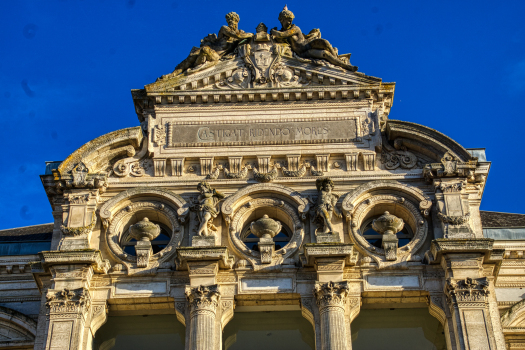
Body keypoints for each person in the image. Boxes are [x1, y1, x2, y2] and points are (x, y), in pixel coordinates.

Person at [270, 6, 357, 72]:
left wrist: (273, 32)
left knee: (325, 44)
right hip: (303, 54)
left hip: (308, 45)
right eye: (287, 20)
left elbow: (282, 34)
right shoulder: (283, 32)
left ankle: (341, 64)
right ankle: (340, 62)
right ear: (281, 20)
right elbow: (280, 37)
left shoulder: (295, 29)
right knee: (324, 53)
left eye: (291, 20)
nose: (290, 22)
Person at [170, 12, 253, 76]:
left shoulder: (240, 35)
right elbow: (236, 35)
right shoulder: (224, 29)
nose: (231, 23)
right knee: (194, 56)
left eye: (233, 21)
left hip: (217, 57)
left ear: (237, 22)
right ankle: (173, 74)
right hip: (213, 52)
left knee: (204, 50)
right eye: (230, 21)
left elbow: (241, 39)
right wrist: (252, 35)